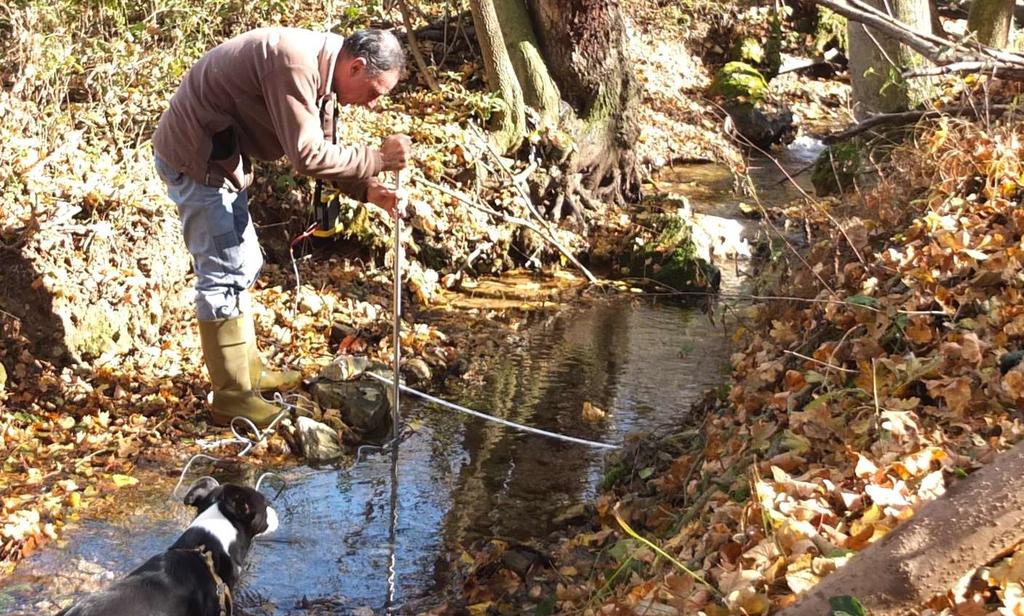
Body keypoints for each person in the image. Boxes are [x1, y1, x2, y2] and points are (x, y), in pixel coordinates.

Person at [152, 27, 411, 428]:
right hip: (195, 160)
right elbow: (306, 155)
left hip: (222, 160)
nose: (373, 105)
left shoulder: (325, 74)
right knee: (223, 274)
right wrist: (376, 158)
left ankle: (249, 373)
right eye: (375, 92)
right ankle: (232, 398)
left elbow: (323, 144)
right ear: (356, 66)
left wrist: (366, 189)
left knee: (246, 263)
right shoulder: (293, 62)